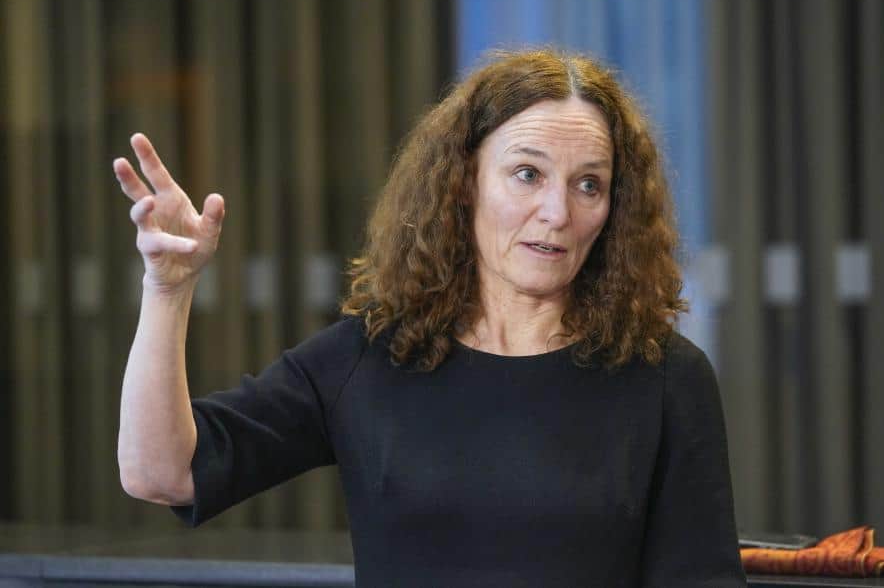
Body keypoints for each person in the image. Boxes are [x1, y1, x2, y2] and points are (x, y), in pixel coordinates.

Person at [115, 48, 747, 587]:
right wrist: (169, 289)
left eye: (589, 184)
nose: (558, 212)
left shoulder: (666, 377)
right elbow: (162, 473)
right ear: (464, 183)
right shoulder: (369, 358)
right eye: (527, 174)